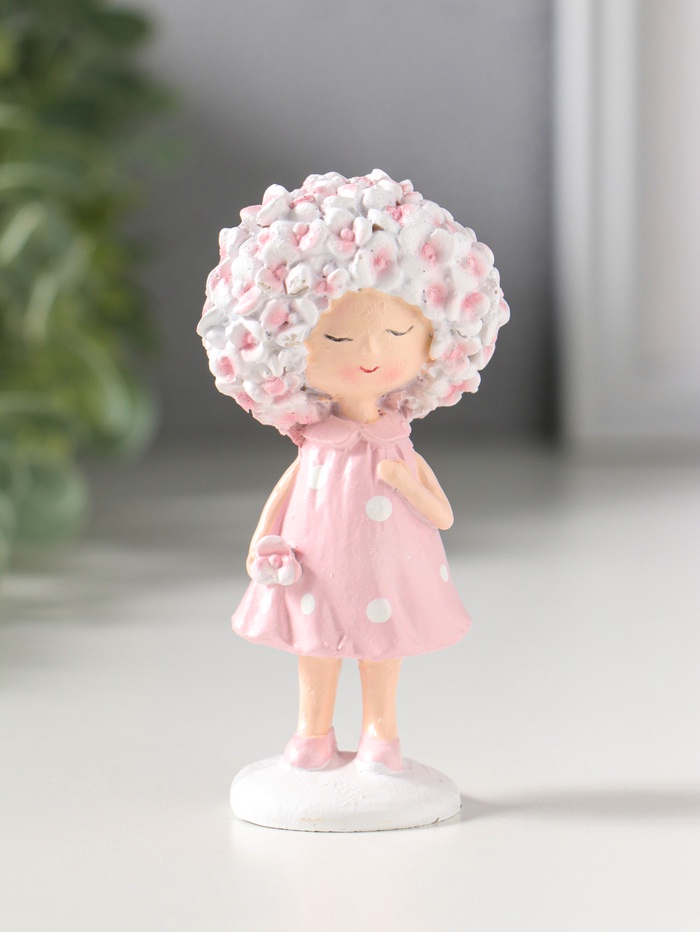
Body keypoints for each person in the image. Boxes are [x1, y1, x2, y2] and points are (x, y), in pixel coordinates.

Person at [198, 169, 509, 774]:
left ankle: (380, 734)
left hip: (387, 564)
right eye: (339, 338)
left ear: (435, 337)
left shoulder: (396, 442)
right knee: (315, 641)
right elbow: (288, 489)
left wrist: (408, 485)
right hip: (316, 557)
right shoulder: (318, 441)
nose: (370, 353)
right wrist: (262, 538)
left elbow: (443, 514)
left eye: (396, 332)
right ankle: (312, 732)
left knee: (382, 645)